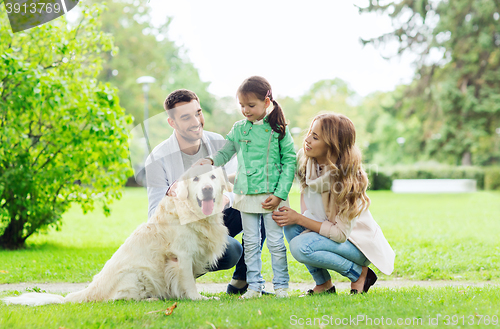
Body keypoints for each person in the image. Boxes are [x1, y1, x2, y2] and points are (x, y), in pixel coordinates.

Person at [144, 89, 266, 294]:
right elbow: (154, 215)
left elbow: (239, 186)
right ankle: (177, 277)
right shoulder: (157, 159)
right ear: (172, 123)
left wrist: (226, 197)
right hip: (184, 227)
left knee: (259, 205)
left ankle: (242, 282)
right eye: (186, 117)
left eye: (198, 113)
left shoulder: (218, 143)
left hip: (217, 213)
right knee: (231, 251)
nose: (196, 121)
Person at [272, 113, 395, 295]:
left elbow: (340, 234)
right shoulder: (307, 160)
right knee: (291, 228)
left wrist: (299, 218)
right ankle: (324, 284)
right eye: (309, 133)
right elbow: (282, 176)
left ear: (332, 146)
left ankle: (360, 273)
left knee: (300, 246)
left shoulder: (347, 180)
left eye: (315, 137)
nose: (307, 140)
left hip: (356, 244)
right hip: (329, 233)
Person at [196, 76, 296, 298]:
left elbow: (290, 161)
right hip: (246, 195)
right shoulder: (239, 129)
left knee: (276, 244)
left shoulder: (278, 129)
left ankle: (281, 287)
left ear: (266, 102)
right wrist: (211, 161)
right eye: (242, 105)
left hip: (273, 197)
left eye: (251, 105)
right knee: (250, 243)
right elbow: (226, 151)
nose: (245, 110)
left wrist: (279, 195)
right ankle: (254, 286)